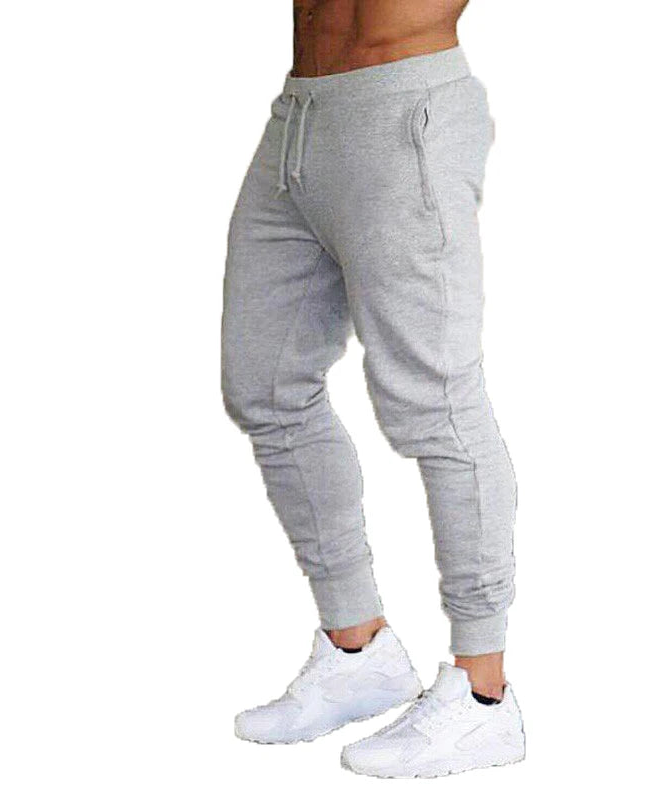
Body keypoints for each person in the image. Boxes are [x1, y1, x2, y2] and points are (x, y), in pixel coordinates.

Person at [222, 0, 524, 777]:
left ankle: (483, 693)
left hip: (405, 111)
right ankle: (358, 648)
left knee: (437, 406)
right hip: (300, 118)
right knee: (265, 386)